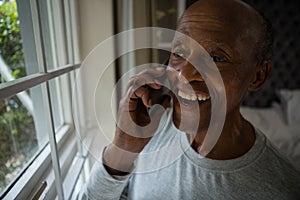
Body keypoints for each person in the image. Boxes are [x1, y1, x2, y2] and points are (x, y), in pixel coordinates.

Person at [79, 0, 300, 199]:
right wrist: (123, 148)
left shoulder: (282, 189)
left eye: (216, 58)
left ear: (258, 75)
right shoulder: (150, 129)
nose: (183, 74)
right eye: (179, 53)